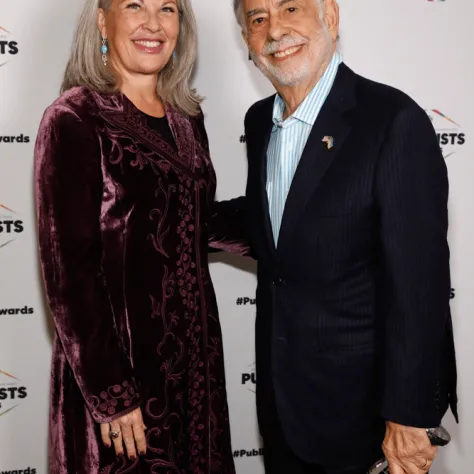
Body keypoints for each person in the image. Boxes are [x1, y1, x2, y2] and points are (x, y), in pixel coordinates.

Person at [223, 0, 458, 472]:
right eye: (258, 18)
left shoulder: (392, 120)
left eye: (291, 8)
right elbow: (283, 225)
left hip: (367, 418)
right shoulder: (257, 122)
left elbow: (419, 284)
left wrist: (408, 415)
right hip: (281, 407)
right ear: (247, 40)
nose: (275, 30)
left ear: (329, 17)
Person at [34, 0, 242, 472]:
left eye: (167, 8)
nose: (153, 23)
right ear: (103, 19)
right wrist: (112, 394)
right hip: (120, 381)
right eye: (135, 5)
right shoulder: (75, 117)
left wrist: (297, 218)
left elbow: (196, 224)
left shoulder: (186, 119)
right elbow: (69, 273)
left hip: (197, 374)